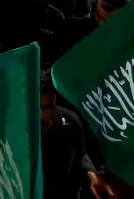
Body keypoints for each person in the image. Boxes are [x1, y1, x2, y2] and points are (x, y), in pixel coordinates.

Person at [39, 71, 116, 199]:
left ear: (53, 100)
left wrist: (91, 173)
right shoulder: (19, 130)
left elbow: (80, 154)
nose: (40, 115)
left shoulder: (70, 120)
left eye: (45, 108)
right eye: (35, 107)